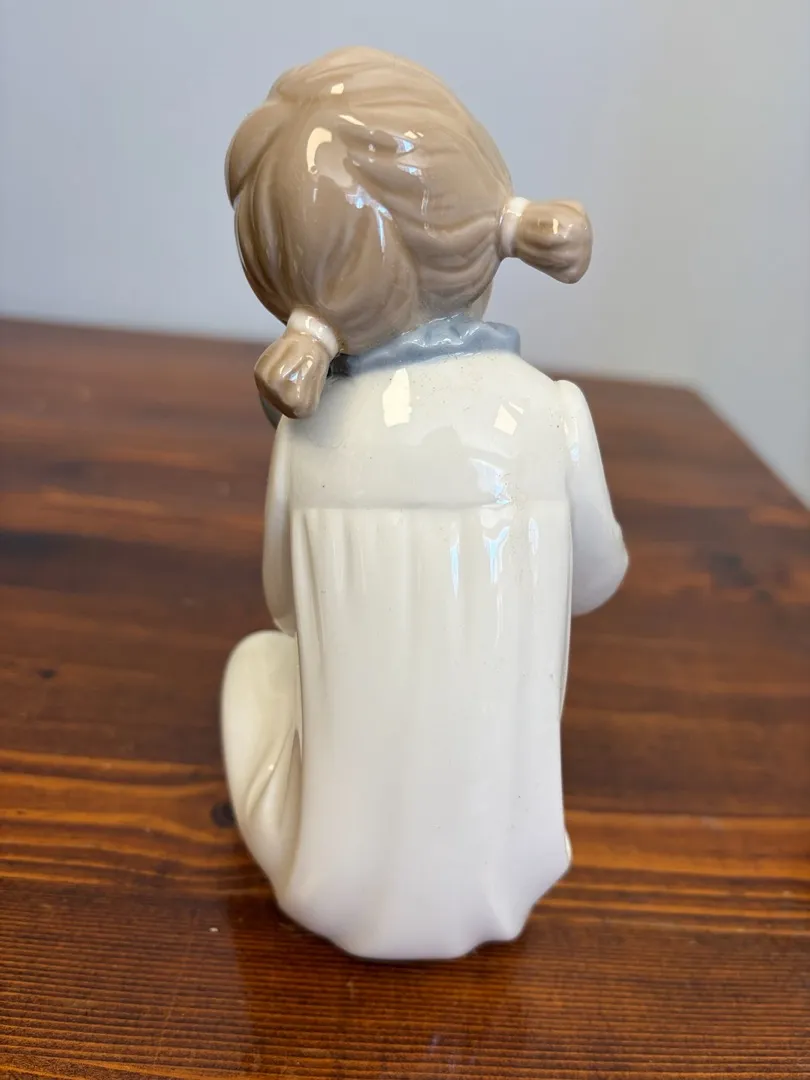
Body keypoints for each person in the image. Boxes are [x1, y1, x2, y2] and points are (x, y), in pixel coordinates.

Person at [221, 46, 627, 960]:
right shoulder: (548, 413)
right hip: (511, 871)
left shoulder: (310, 437)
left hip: (328, 890)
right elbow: (597, 583)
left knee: (257, 665)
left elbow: (285, 611)